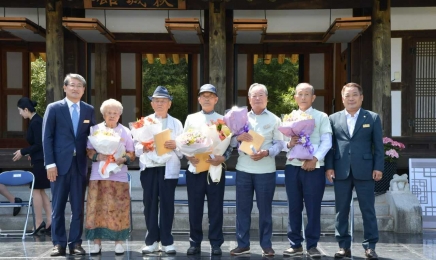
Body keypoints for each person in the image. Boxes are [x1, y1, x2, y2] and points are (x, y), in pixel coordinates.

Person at [325, 82, 383, 260]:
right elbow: (330, 146)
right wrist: (329, 167)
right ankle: (343, 246)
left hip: (365, 170)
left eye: (354, 95)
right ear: (342, 98)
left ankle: (370, 246)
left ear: (361, 97)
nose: (351, 98)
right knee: (341, 210)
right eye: (347, 95)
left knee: (368, 210)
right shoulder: (333, 118)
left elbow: (378, 146)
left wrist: (378, 167)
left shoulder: (372, 118)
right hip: (341, 170)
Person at [43, 73, 95, 256]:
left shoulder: (89, 110)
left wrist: (97, 151)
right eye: (72, 85)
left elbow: (93, 137)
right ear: (65, 88)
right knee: (58, 207)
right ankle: (58, 243)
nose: (75, 88)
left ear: (83, 90)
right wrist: (49, 163)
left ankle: (75, 243)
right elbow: (47, 137)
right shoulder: (54, 108)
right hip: (58, 165)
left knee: (78, 207)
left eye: (79, 86)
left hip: (79, 164)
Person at [230, 83, 284, 257]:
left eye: (261, 95)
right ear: (249, 99)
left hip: (266, 170)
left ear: (267, 98)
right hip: (243, 169)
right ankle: (243, 244)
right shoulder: (241, 117)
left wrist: (267, 152)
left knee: (265, 210)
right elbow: (229, 143)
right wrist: (237, 138)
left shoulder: (275, 120)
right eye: (254, 95)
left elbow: (280, 144)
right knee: (242, 209)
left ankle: (266, 244)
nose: (257, 98)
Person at [281, 83, 332, 258]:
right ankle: (295, 244)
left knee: (313, 207)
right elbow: (281, 143)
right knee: (294, 207)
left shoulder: (322, 116)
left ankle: (312, 245)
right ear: (295, 97)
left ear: (313, 98)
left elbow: (327, 142)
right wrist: (289, 143)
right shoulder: (288, 118)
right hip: (293, 167)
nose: (303, 97)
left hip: (314, 168)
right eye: (299, 94)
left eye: (306, 94)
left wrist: (315, 159)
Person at [183, 84, 233, 256]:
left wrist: (223, 158)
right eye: (203, 96)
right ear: (198, 99)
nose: (206, 99)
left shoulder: (222, 120)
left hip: (215, 168)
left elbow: (229, 146)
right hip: (196, 168)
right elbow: (184, 141)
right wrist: (188, 156)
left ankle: (216, 243)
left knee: (216, 208)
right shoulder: (191, 118)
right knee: (195, 208)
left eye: (210, 96)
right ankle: (194, 242)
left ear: (216, 99)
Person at [136, 86, 183, 255]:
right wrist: (144, 146)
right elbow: (135, 147)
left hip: (168, 168)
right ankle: (151, 241)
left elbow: (184, 147)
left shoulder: (176, 123)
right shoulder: (144, 121)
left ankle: (167, 240)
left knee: (167, 204)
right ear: (152, 104)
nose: (160, 103)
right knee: (149, 204)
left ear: (169, 104)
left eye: (163, 101)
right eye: (156, 101)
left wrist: (175, 144)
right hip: (149, 168)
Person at [85, 98, 135, 255]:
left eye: (115, 113)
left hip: (118, 176)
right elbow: (89, 150)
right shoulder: (95, 130)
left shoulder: (125, 131)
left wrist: (123, 159)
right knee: (96, 208)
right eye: (109, 113)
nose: (112, 115)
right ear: (103, 114)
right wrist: (97, 157)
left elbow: (131, 154)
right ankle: (96, 243)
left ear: (120, 114)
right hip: (98, 175)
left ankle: (118, 242)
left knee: (118, 208)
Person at [13, 97, 52, 235]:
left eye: (20, 111)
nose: (20, 114)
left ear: (26, 109)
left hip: (41, 161)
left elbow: (40, 144)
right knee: (40, 191)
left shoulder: (36, 122)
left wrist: (23, 151)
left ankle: (38, 222)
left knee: (36, 190)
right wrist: (31, 153)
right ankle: (49, 222)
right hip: (39, 159)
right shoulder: (36, 121)